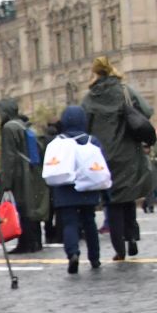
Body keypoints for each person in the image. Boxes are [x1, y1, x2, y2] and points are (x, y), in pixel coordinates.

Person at [80, 57, 157, 262]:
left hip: (102, 155)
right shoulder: (125, 90)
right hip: (127, 152)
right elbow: (146, 112)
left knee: (112, 201)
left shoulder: (89, 98)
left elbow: (83, 125)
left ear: (95, 73)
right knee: (128, 198)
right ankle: (131, 237)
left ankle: (119, 249)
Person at [46, 107, 106, 274]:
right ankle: (94, 258)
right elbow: (102, 162)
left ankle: (72, 254)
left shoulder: (57, 142)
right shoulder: (91, 140)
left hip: (64, 188)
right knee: (89, 222)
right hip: (87, 187)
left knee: (69, 223)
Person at [0, 100, 48, 253]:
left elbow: (9, 156)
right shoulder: (24, 125)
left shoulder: (9, 127)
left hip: (19, 174)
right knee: (32, 208)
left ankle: (26, 243)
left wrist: (6, 181)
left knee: (22, 208)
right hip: (33, 171)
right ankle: (36, 242)